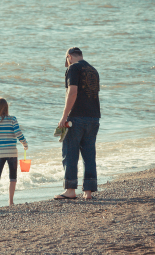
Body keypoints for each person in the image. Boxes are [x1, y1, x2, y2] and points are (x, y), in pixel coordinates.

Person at [54, 47, 101, 200]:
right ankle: (88, 192)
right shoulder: (93, 70)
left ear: (69, 57)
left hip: (76, 117)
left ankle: (70, 190)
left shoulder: (73, 68)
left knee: (70, 153)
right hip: (94, 117)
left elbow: (72, 92)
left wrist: (64, 116)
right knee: (89, 154)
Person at [0, 97, 28, 210]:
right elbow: (18, 133)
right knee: (13, 177)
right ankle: (11, 201)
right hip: (12, 152)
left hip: (0, 153)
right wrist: (24, 143)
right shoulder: (13, 119)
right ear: (7, 108)